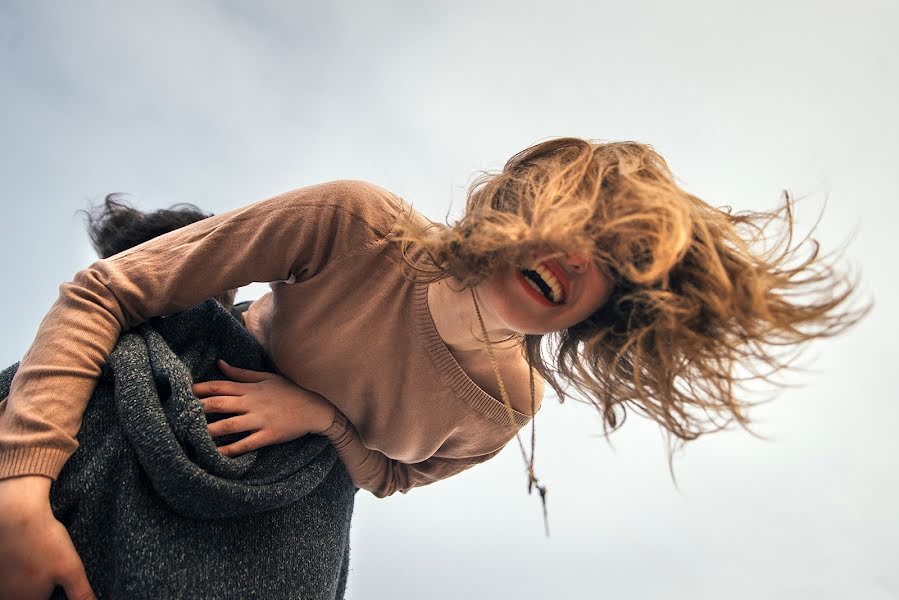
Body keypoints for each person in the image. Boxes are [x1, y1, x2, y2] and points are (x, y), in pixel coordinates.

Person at [0, 138, 864, 599]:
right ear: (519, 198)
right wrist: (20, 495)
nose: (573, 258)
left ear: (617, 304)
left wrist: (321, 416)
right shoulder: (355, 221)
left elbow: (390, 476)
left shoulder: (507, 403)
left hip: (290, 525)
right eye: (572, 218)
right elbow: (103, 294)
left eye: (614, 258)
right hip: (161, 408)